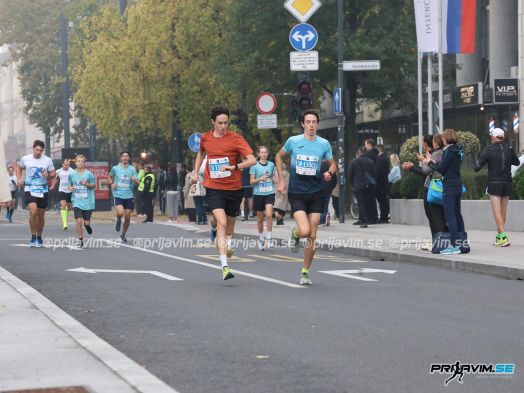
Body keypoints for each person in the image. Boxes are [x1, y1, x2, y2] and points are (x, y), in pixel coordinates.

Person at [192, 105, 256, 280]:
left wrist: (235, 166)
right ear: (213, 122)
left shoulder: (236, 139)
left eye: (226, 123)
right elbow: (200, 154)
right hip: (213, 187)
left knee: (228, 227)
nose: (223, 126)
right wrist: (195, 173)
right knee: (222, 223)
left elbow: (252, 160)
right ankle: (224, 266)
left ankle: (217, 230)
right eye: (220, 123)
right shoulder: (205, 138)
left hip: (234, 189)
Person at [276, 110, 336, 285]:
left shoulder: (323, 144)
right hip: (297, 193)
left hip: (317, 193)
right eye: (308, 122)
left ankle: (305, 272)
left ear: (317, 124)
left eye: (314, 122)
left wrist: (329, 173)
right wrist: (281, 180)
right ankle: (295, 233)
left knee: (313, 234)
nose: (311, 125)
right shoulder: (293, 142)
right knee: (305, 231)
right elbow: (279, 157)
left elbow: (333, 164)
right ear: (303, 124)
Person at [420, 129, 466, 255]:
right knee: (457, 215)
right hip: (457, 183)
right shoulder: (459, 150)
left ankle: (454, 245)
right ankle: (463, 244)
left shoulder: (449, 151)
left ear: (446, 139)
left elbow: (442, 169)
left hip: (449, 186)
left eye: (444, 138)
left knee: (450, 216)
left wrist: (429, 162)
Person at [474, 127, 520, 247]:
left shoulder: (488, 149)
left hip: (494, 183)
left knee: (496, 212)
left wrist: (478, 156)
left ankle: (503, 237)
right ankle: (499, 238)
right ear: (502, 137)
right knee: (503, 212)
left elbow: (477, 167)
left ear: (493, 137)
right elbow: (517, 162)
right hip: (507, 183)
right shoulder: (509, 148)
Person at [404, 134, 447, 243]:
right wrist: (414, 166)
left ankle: (438, 240)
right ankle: (437, 239)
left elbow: (426, 171)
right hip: (433, 186)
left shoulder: (436, 154)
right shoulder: (439, 153)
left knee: (434, 216)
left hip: (432, 188)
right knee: (434, 215)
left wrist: (413, 167)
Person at [16, 140, 56, 247]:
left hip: (43, 189)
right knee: (33, 212)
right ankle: (33, 237)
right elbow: (18, 168)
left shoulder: (47, 160)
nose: (38, 152)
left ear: (43, 151)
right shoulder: (26, 159)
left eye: (41, 151)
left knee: (41, 215)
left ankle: (39, 236)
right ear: (33, 149)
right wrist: (19, 178)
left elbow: (53, 173)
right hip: (30, 188)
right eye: (37, 150)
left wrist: (47, 174)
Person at [108, 151, 139, 243]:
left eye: (127, 156)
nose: (125, 158)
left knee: (128, 217)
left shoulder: (132, 169)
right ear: (121, 158)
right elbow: (109, 176)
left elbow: (138, 183)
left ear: (129, 158)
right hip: (118, 195)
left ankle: (123, 234)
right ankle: (118, 220)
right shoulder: (115, 168)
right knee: (121, 212)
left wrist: (134, 180)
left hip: (129, 195)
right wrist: (112, 183)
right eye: (123, 156)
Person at [250, 146, 276, 250]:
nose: (264, 154)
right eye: (262, 152)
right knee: (260, 218)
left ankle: (269, 238)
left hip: (269, 192)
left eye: (265, 152)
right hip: (258, 193)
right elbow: (251, 182)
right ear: (258, 154)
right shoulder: (254, 166)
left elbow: (273, 177)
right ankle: (261, 239)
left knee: (269, 215)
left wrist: (279, 185)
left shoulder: (271, 164)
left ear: (267, 153)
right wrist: (260, 179)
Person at [68, 155, 96, 247]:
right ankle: (80, 240)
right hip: (76, 200)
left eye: (82, 161)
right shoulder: (72, 174)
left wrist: (86, 184)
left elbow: (94, 185)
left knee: (86, 222)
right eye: (78, 161)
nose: (80, 163)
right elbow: (69, 185)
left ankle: (87, 225)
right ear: (75, 162)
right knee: (79, 220)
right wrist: (71, 188)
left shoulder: (89, 174)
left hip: (88, 201)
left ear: (84, 163)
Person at [348, 147, 377, 228]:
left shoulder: (354, 162)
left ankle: (363, 220)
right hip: (368, 185)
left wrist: (353, 184)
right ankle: (366, 218)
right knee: (367, 203)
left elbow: (350, 174)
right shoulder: (371, 162)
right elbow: (375, 173)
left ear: (359, 152)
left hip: (357, 185)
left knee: (361, 203)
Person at [52, 158, 74, 230]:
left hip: (69, 191)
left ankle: (64, 215)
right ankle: (64, 223)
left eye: (68, 165)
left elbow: (75, 180)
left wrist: (73, 187)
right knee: (63, 206)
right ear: (62, 164)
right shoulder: (59, 171)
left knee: (69, 207)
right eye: (65, 165)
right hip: (62, 190)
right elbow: (56, 179)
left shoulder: (72, 171)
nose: (67, 166)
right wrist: (52, 185)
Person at [319, 160, 337, 226]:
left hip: (319, 189)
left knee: (319, 205)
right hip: (328, 189)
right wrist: (331, 187)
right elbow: (335, 180)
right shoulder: (331, 168)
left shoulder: (318, 166)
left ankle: (321, 220)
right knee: (325, 205)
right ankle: (323, 219)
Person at [376, 145, 390, 223]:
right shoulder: (385, 158)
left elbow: (379, 172)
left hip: (381, 183)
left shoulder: (381, 159)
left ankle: (383, 218)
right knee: (383, 201)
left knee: (382, 201)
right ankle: (384, 217)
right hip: (384, 182)